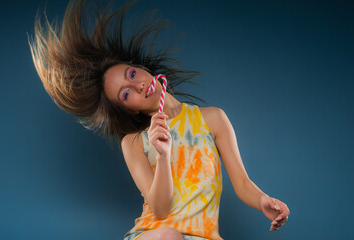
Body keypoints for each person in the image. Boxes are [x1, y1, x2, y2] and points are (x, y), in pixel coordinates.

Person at [28, 0, 290, 239]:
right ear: (128, 109)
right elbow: (161, 209)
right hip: (156, 235)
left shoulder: (213, 118)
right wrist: (163, 155)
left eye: (131, 74)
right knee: (169, 236)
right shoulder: (133, 143)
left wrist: (264, 200)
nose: (138, 86)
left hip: (204, 236)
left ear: (143, 69)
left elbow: (242, 183)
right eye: (126, 93)